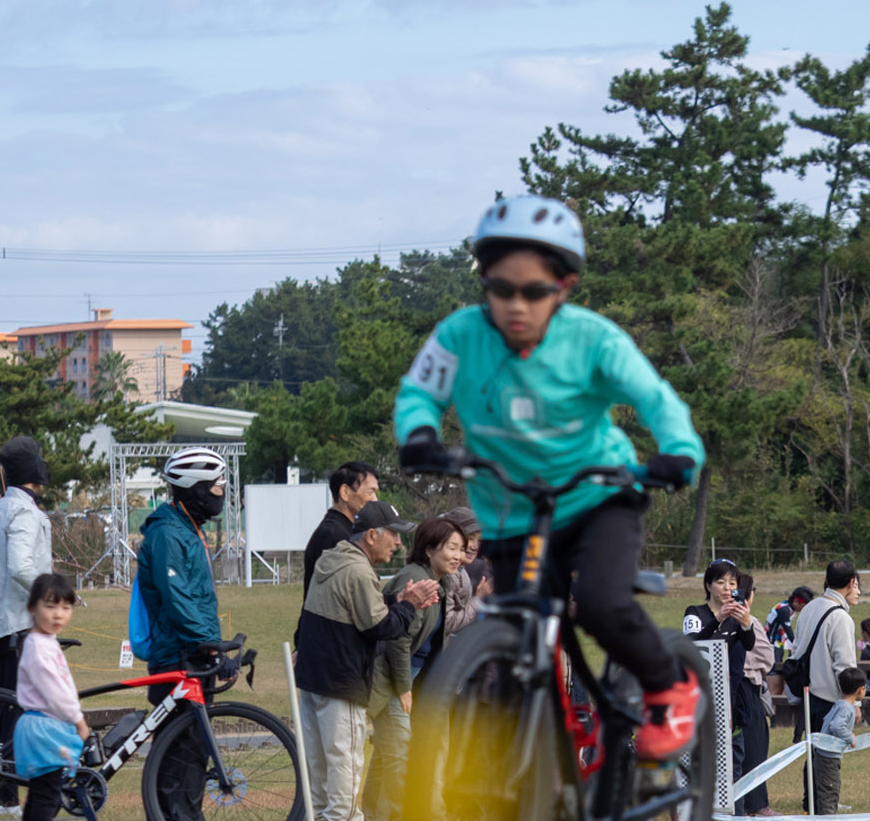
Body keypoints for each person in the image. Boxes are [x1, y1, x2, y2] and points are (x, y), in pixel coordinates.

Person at [394, 194, 705, 762]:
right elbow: (419, 391)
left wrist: (679, 451)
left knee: (602, 605)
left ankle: (669, 685)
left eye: (534, 291)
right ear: (485, 283)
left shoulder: (593, 339)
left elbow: (654, 397)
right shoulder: (461, 335)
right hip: (512, 508)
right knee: (516, 633)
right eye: (501, 288)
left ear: (564, 287)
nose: (516, 305)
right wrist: (418, 434)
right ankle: (533, 776)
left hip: (597, 498)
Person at [296, 500, 428, 821]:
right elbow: (379, 627)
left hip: (314, 677)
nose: (398, 543)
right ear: (371, 535)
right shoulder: (358, 571)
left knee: (319, 758)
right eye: (393, 535)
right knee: (345, 756)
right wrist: (410, 606)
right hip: (342, 678)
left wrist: (396, 602)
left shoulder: (333, 560)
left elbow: (359, 612)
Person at [136, 447, 231, 821]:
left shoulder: (188, 528)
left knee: (194, 746)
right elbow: (177, 598)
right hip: (177, 652)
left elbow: (196, 599)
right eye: (216, 487)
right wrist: (207, 643)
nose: (221, 494)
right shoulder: (167, 534)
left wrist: (213, 645)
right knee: (180, 747)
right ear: (195, 489)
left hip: (193, 650)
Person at [0, 435, 54, 818]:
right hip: (20, 623)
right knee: (20, 709)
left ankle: (2, 792)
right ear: (37, 471)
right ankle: (5, 794)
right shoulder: (25, 512)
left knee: (8, 706)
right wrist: (54, 593)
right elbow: (20, 566)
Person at [362, 515, 453, 821]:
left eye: (461, 548)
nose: (458, 555)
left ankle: (374, 817)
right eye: (452, 547)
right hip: (390, 677)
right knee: (400, 747)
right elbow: (397, 641)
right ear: (429, 549)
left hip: (405, 678)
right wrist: (403, 688)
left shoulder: (441, 583)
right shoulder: (415, 580)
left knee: (387, 749)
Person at [11, 574, 89, 821]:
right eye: (50, 606)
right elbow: (54, 691)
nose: (58, 615)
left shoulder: (43, 641)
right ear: (33, 607)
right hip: (45, 729)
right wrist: (78, 719)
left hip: (42, 727)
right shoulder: (39, 647)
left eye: (66, 608)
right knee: (47, 797)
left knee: (38, 794)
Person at [683, 559, 761, 821]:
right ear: (708, 585)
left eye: (732, 583)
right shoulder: (695, 613)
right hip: (701, 701)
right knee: (702, 763)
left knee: (735, 761)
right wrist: (718, 620)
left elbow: (749, 644)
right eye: (720, 582)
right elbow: (691, 645)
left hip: (731, 700)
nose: (727, 588)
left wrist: (746, 622)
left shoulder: (737, 615)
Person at [789, 560, 861, 772]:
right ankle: (822, 794)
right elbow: (845, 666)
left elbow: (796, 648)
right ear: (851, 583)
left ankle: (810, 794)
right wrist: (854, 702)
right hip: (831, 698)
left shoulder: (809, 608)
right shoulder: (841, 617)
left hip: (808, 694)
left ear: (827, 580)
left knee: (813, 757)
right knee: (827, 761)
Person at [732, 572, 779, 818]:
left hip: (727, 687)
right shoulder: (750, 621)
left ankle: (745, 801)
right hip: (747, 688)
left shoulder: (718, 619)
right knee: (755, 747)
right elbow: (767, 658)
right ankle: (758, 804)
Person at [302, 462, 378, 598]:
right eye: (370, 492)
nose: (375, 500)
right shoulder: (334, 535)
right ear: (345, 492)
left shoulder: (345, 530)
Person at [810, 666, 866, 816]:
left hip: (825, 756)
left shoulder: (839, 704)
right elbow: (836, 726)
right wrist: (850, 737)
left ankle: (826, 816)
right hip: (828, 758)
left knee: (828, 788)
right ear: (859, 690)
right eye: (864, 688)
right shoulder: (846, 708)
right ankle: (828, 820)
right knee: (830, 789)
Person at [440, 505, 484, 639]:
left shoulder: (461, 569)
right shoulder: (445, 573)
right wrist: (479, 600)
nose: (474, 546)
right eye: (470, 538)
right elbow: (448, 623)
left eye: (479, 540)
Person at [767, 587, 814, 652]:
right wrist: (798, 646)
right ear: (795, 602)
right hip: (771, 643)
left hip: (779, 640)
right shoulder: (784, 610)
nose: (805, 609)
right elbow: (788, 631)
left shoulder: (788, 606)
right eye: (804, 606)